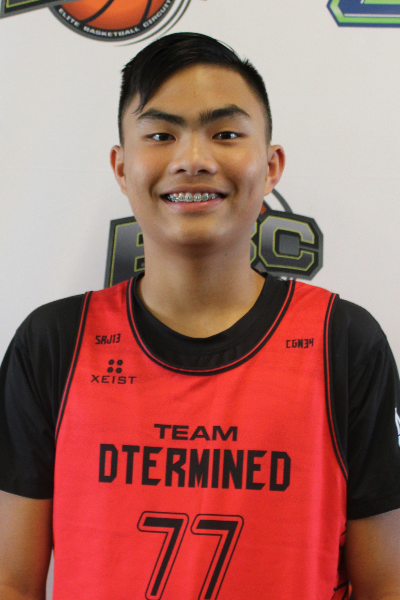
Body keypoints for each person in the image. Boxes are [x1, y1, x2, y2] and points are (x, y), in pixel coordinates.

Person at [0, 32, 400, 600]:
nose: (193, 159)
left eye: (226, 134)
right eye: (161, 135)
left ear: (271, 165)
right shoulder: (53, 343)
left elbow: (386, 583)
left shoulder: (344, 342)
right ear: (121, 167)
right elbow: (12, 581)